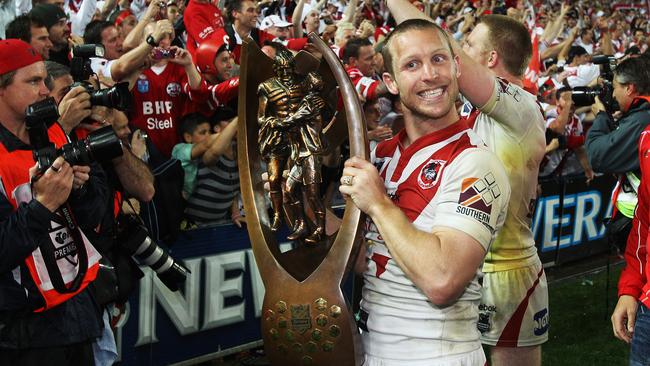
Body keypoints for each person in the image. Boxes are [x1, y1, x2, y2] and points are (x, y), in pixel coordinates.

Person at [339, 19, 510, 365]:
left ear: (456, 66)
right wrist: (308, 206)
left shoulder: (475, 163)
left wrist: (378, 204)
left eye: (438, 59)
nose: (430, 75)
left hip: (436, 355)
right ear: (390, 81)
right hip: (371, 349)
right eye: (412, 65)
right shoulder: (384, 157)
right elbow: (364, 262)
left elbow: (442, 280)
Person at [385, 3, 548, 364]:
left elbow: (445, 46)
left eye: (469, 45)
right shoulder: (475, 110)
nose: (461, 51)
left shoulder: (521, 106)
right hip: (462, 258)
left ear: (489, 59)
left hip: (506, 268)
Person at [0, 39, 108, 366]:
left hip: (78, 310)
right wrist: (42, 206)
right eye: (33, 81)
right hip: (24, 331)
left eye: (45, 79)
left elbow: (95, 213)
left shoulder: (55, 133)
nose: (46, 90)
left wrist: (80, 189)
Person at [590, 57, 650, 366]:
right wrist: (630, 288)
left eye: (615, 87)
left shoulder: (642, 123)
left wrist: (601, 118)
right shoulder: (643, 131)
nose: (612, 94)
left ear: (630, 87)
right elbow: (644, 223)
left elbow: (599, 155)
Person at [257, 48, 305, 233]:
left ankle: (300, 219)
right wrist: (277, 122)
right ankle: (277, 214)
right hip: (277, 138)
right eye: (282, 69)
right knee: (274, 178)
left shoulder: (302, 83)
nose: (286, 73)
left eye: (289, 69)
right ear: (276, 69)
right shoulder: (267, 87)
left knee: (296, 182)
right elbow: (261, 117)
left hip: (298, 139)